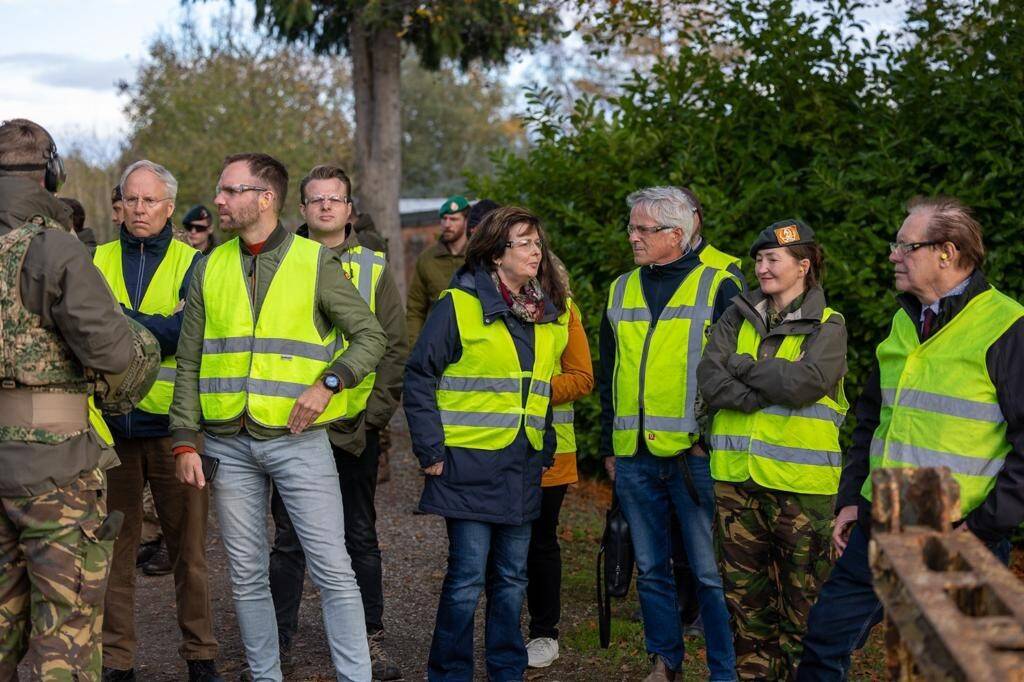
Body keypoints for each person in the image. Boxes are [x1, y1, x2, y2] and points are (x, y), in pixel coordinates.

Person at [171, 152, 386, 681]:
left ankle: (355, 676)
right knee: (245, 576)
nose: (218, 200)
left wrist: (330, 383)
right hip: (226, 444)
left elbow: (371, 337)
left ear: (264, 198)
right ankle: (265, 676)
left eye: (230, 191)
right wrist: (182, 439)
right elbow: (190, 358)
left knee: (334, 571)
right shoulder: (209, 265)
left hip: (298, 440)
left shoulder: (315, 262)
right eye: (219, 191)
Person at [797, 197, 1024, 680]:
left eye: (905, 245)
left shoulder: (1007, 325)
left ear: (947, 251)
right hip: (882, 518)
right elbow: (872, 419)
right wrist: (852, 499)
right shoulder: (904, 320)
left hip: (958, 532)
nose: (893, 254)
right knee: (824, 639)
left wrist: (985, 528)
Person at [0, 118, 149, 680]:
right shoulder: (54, 249)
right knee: (65, 630)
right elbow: (113, 354)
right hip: (54, 468)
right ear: (51, 173)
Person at [404, 206, 568, 681]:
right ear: (497, 254)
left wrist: (546, 444)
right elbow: (419, 376)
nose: (536, 251)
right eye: (524, 243)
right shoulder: (459, 304)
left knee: (513, 578)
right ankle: (450, 673)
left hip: (520, 464)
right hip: (467, 463)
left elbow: (539, 387)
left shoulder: (546, 311)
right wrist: (431, 450)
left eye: (538, 242)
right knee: (466, 579)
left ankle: (506, 670)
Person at [268, 164, 408, 679]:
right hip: (293, 428)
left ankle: (369, 641)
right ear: (301, 209)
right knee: (288, 538)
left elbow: (392, 345)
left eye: (336, 199)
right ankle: (276, 644)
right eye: (316, 199)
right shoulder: (280, 260)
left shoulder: (373, 266)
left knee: (359, 535)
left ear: (350, 209)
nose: (326, 206)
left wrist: (374, 416)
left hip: (353, 429)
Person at [599, 186, 741, 682]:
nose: (632, 237)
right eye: (632, 227)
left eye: (643, 229)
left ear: (676, 235)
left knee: (709, 573)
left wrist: (708, 436)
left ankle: (725, 670)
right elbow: (610, 371)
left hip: (693, 455)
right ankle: (664, 662)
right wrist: (608, 447)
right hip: (634, 455)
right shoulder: (620, 289)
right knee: (652, 569)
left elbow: (737, 371)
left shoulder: (720, 286)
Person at [697, 220, 848, 680]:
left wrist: (742, 366)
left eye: (773, 259)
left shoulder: (829, 324)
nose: (761, 267)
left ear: (803, 266)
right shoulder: (735, 315)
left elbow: (806, 383)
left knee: (805, 612)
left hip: (801, 493)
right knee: (746, 609)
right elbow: (709, 376)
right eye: (758, 259)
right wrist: (763, 383)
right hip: (735, 487)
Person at [93, 160, 221, 681]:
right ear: (119, 204)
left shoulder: (195, 263)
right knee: (113, 557)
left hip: (176, 431)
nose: (140, 209)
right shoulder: (94, 259)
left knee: (188, 553)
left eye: (151, 201)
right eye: (132, 199)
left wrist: (120, 322)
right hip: (111, 430)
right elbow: (86, 333)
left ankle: (202, 656)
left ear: (169, 206)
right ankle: (117, 662)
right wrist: (151, 327)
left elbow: (187, 332)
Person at [525, 272, 594, 668]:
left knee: (540, 542)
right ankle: (498, 634)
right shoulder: (479, 302)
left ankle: (543, 633)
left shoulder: (563, 309)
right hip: (492, 445)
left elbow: (582, 378)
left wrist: (532, 388)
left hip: (552, 450)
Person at [405, 195, 470, 345]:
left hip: (474, 343)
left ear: (466, 222)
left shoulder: (478, 256)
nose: (447, 224)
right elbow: (415, 308)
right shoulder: (427, 259)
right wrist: (415, 346)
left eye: (453, 219)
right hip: (437, 343)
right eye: (444, 219)